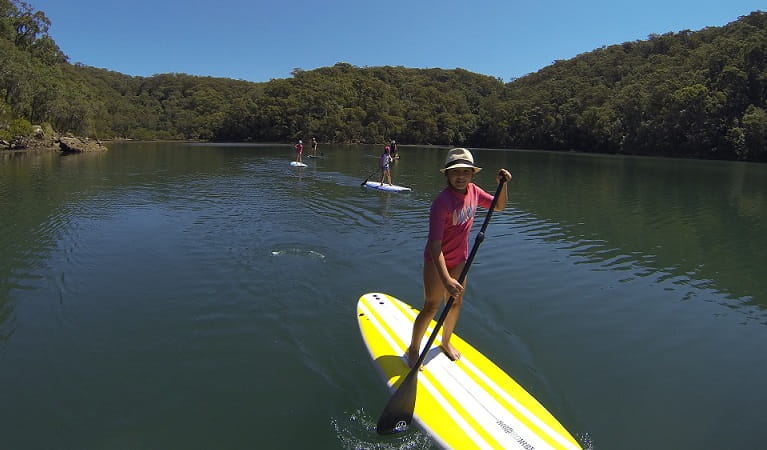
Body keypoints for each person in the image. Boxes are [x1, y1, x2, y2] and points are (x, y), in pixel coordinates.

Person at [406, 148, 512, 367]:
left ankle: (445, 342)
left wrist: (503, 184)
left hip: (460, 259)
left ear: (472, 173)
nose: (461, 176)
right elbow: (435, 246)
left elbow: (499, 206)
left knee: (455, 303)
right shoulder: (441, 203)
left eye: (465, 171)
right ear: (447, 174)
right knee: (431, 306)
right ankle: (413, 349)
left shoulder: (473, 191)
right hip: (437, 261)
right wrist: (445, 280)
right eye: (455, 172)